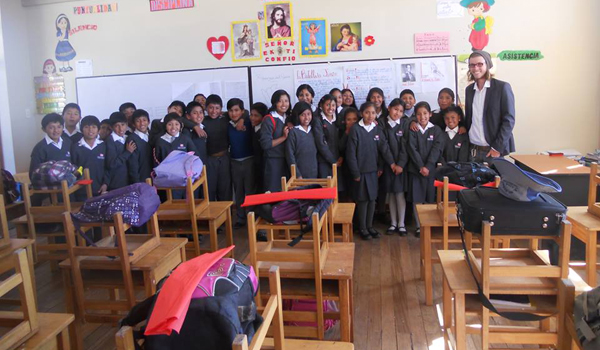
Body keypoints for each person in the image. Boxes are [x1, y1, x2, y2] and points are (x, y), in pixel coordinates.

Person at [346, 102, 396, 241]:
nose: (370, 115)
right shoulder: (356, 129)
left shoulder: (376, 128)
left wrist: (386, 165)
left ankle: (370, 226)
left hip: (373, 171)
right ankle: (362, 228)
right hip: (360, 172)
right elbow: (351, 154)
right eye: (367, 112)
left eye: (373, 113)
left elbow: (383, 149)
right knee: (362, 201)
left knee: (372, 200)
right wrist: (355, 173)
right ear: (362, 113)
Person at [464, 50, 515, 163]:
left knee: (495, 181)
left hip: (493, 151)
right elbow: (469, 117)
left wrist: (497, 148)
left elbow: (509, 120)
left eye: (479, 64)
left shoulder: (502, 87)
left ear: (487, 64)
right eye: (472, 65)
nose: (475, 68)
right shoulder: (469, 90)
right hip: (473, 150)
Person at [407, 102, 445, 236]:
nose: (422, 117)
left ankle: (427, 225)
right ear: (415, 115)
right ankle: (418, 226)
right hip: (416, 170)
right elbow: (412, 149)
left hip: (431, 171)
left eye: (425, 113)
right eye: (418, 114)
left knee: (429, 198)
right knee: (417, 198)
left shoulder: (436, 130)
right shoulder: (412, 129)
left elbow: (436, 150)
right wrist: (420, 166)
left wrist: (428, 166)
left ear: (430, 114)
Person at [380, 99, 409, 236]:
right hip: (388, 165)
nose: (397, 113)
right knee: (390, 193)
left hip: (401, 167)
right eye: (395, 109)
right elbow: (383, 146)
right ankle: (393, 223)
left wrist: (400, 165)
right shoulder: (381, 123)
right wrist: (391, 163)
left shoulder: (405, 124)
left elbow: (406, 146)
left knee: (400, 193)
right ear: (389, 108)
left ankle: (401, 223)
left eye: (401, 111)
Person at [227, 98, 255, 228]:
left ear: (242, 111)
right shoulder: (226, 124)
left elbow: (249, 113)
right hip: (234, 162)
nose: (234, 113)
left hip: (249, 160)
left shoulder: (248, 122)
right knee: (238, 191)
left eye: (237, 110)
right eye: (231, 110)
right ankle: (240, 218)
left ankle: (251, 217)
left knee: (250, 191)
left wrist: (243, 118)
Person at [202, 95, 233, 201]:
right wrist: (195, 126)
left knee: (225, 189)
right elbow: (183, 120)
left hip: (224, 158)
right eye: (211, 107)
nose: (214, 111)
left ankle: (225, 216)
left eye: (217, 108)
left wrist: (225, 113)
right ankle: (211, 216)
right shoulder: (202, 121)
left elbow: (245, 112)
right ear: (205, 108)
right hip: (209, 159)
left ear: (221, 108)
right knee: (210, 189)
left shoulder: (225, 118)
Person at [260, 90, 291, 192]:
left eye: (286, 101)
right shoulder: (269, 119)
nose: (284, 104)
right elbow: (266, 144)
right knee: (273, 192)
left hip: (287, 161)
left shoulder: (288, 118)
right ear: (274, 103)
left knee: (286, 192)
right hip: (273, 161)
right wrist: (283, 137)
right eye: (280, 101)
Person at [71, 115, 108, 200]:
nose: (90, 130)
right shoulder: (76, 147)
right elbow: (74, 169)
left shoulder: (103, 146)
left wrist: (105, 184)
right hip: (81, 190)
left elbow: (108, 167)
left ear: (98, 130)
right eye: (87, 127)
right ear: (81, 130)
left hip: (100, 189)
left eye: (94, 127)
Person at [30, 113, 72, 177]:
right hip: (50, 184)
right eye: (51, 127)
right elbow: (33, 174)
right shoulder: (39, 148)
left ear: (63, 127)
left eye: (59, 127)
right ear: (44, 129)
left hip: (70, 182)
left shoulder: (68, 142)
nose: (56, 130)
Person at [286, 102, 318, 179]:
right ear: (297, 116)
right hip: (300, 174)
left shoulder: (314, 130)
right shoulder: (293, 132)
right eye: (303, 115)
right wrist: (297, 174)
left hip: (314, 173)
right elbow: (290, 155)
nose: (306, 118)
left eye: (308, 114)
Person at [105, 112, 136, 190]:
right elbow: (112, 164)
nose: (121, 129)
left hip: (128, 180)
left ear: (127, 124)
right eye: (117, 126)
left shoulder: (127, 137)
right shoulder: (110, 141)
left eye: (123, 125)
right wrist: (127, 152)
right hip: (117, 183)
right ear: (111, 127)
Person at [312, 94, 339, 179]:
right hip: (324, 161)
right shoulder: (318, 120)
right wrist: (333, 161)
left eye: (333, 105)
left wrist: (340, 158)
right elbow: (321, 144)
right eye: (327, 105)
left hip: (338, 160)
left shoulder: (338, 119)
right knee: (327, 188)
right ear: (321, 105)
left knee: (338, 188)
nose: (331, 108)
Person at [126, 109, 153, 184]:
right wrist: (137, 183)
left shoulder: (152, 136)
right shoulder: (132, 139)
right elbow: (133, 164)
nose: (142, 123)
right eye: (138, 121)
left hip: (153, 178)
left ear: (148, 122)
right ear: (133, 124)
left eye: (144, 120)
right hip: (141, 179)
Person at [338, 107, 359, 202]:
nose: (352, 122)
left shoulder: (360, 130)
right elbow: (340, 147)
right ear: (344, 121)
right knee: (349, 193)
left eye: (354, 119)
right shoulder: (341, 131)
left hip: (359, 166)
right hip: (346, 167)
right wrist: (346, 133)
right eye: (348, 119)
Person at [250, 102, 268, 193]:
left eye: (256, 116)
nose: (252, 118)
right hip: (256, 165)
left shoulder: (264, 131)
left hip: (264, 165)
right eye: (251, 115)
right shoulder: (253, 128)